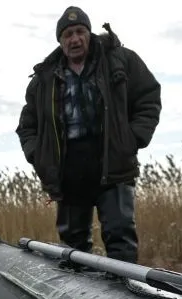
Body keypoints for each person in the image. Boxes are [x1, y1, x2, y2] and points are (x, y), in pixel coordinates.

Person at [15, 6, 162, 268]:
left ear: (89, 33)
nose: (75, 39)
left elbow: (148, 97)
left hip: (113, 164)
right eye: (68, 34)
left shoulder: (120, 60)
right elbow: (27, 126)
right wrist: (40, 157)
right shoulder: (44, 79)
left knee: (120, 238)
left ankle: (127, 296)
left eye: (80, 31)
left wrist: (133, 137)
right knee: (73, 247)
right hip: (69, 172)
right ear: (60, 41)